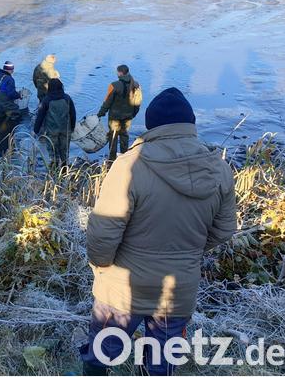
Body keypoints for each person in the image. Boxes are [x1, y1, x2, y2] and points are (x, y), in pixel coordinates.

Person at [81, 87, 237, 376]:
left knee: (101, 353)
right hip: (177, 291)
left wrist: (102, 267)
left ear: (151, 125)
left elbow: (103, 231)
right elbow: (225, 229)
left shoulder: (129, 165)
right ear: (190, 123)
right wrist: (188, 252)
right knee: (161, 363)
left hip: (121, 289)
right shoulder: (219, 169)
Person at [97, 64, 141, 161]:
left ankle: (112, 160)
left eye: (117, 72)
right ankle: (124, 159)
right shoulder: (136, 85)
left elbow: (107, 102)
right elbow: (138, 103)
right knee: (124, 137)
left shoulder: (114, 85)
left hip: (114, 117)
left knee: (113, 138)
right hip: (128, 116)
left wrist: (100, 114)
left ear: (120, 73)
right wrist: (133, 114)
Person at [33, 78, 76, 167]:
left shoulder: (46, 100)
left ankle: (54, 168)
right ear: (61, 87)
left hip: (52, 130)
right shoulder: (67, 98)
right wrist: (72, 127)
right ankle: (64, 168)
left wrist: (35, 130)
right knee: (64, 150)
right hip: (65, 129)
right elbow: (73, 114)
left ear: (50, 88)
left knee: (52, 150)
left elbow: (40, 117)